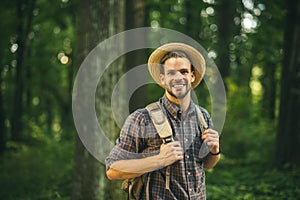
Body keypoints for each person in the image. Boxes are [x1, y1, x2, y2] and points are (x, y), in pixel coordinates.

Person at [105, 43, 221, 199]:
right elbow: (113, 170)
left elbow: (206, 164)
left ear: (192, 76)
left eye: (184, 72)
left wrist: (215, 150)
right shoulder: (141, 119)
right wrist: (159, 160)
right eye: (171, 73)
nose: (178, 77)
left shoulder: (203, 116)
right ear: (163, 78)